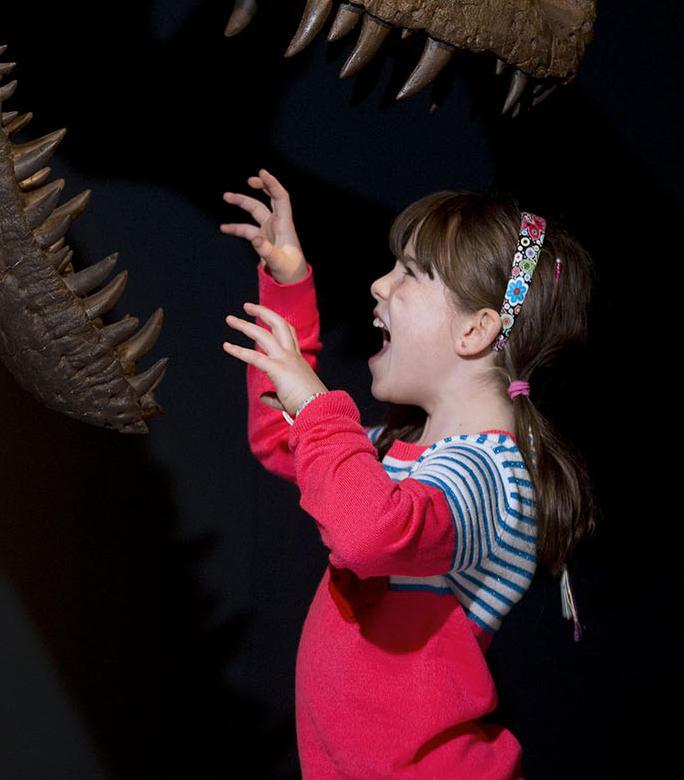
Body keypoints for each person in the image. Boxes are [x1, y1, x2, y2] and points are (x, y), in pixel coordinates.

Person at [221, 168, 594, 779]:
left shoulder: (490, 477)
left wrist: (318, 404)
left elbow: (369, 533)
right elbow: (279, 439)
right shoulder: (398, 453)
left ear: (476, 330)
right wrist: (288, 285)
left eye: (411, 272)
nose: (378, 283)